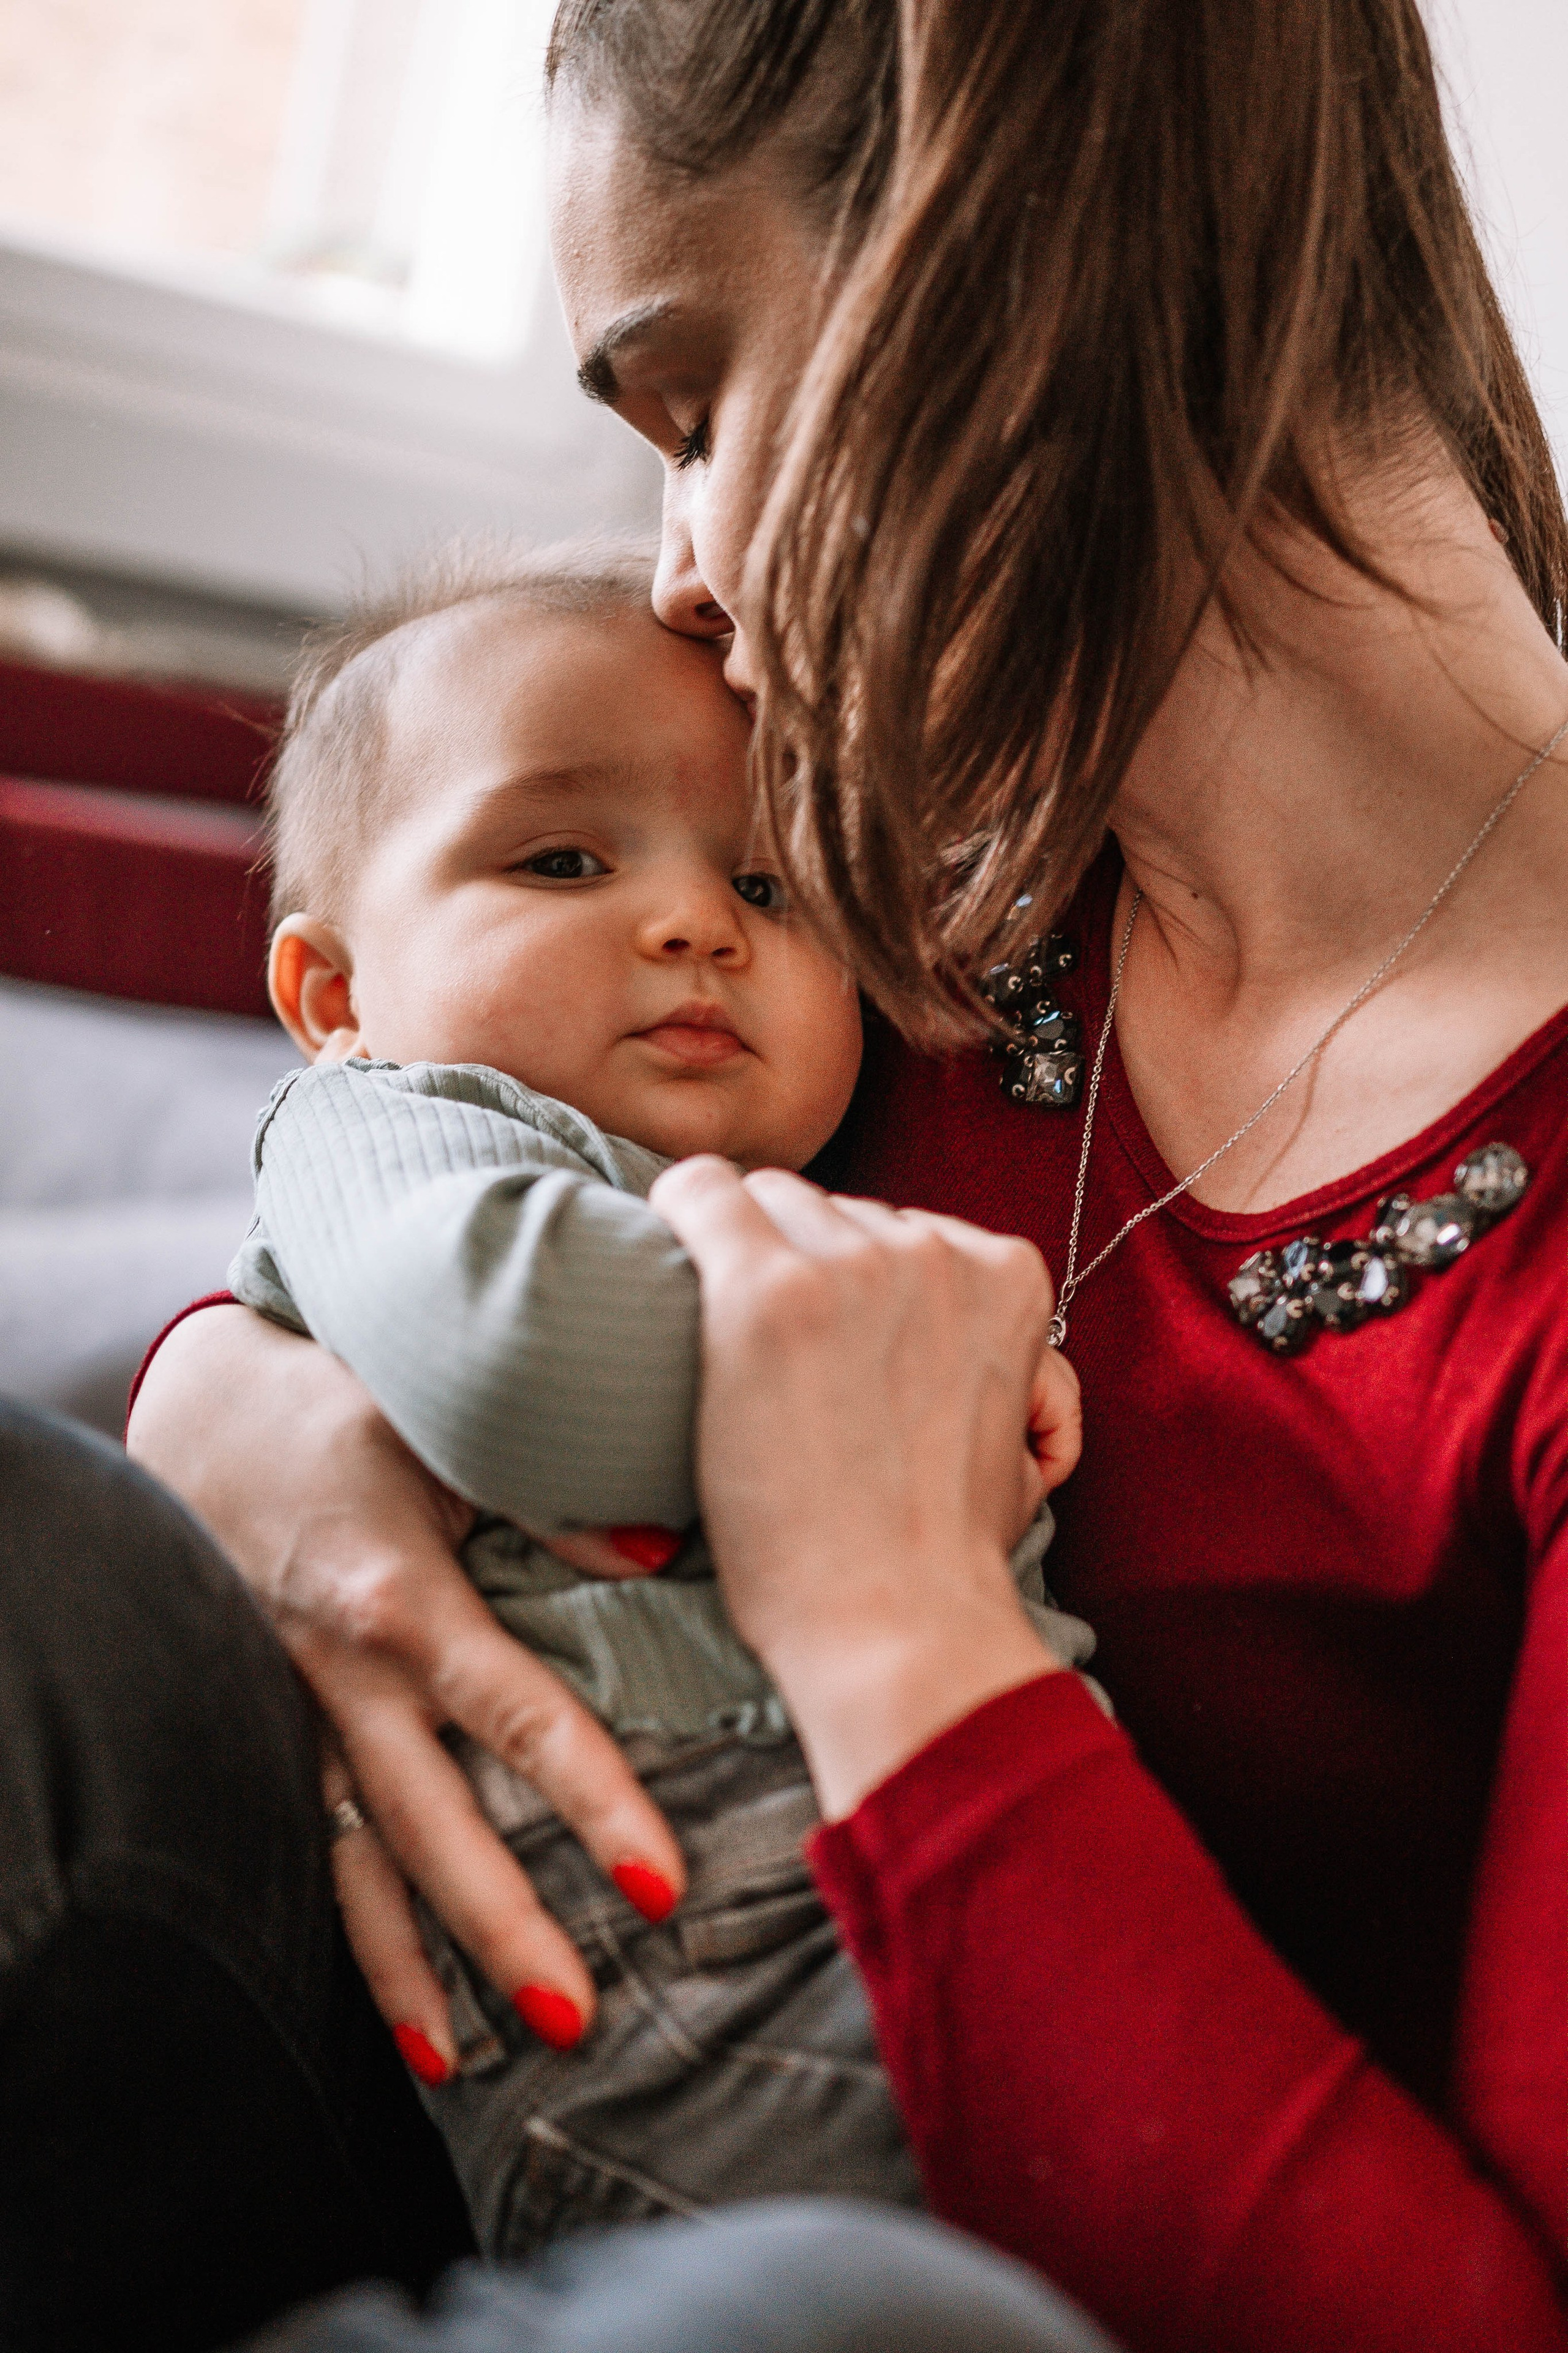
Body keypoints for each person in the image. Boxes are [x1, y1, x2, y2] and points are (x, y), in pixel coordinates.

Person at [25, 0, 1567, 2342]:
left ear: (1012, 245)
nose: (673, 578)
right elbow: (447, 1111)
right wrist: (235, 1400)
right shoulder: (878, 879)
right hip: (465, 2040)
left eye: (701, 408)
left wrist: (905, 1631)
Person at [225, 534, 1088, 2243]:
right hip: (674, 1962)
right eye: (561, 857)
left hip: (952, 1898)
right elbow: (536, 1365)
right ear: (336, 994)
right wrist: (923, 1355)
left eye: (775, 888)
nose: (697, 920)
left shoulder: (827, 1193)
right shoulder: (397, 1125)